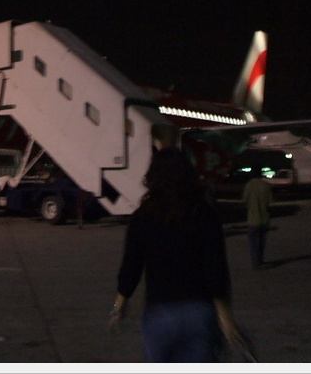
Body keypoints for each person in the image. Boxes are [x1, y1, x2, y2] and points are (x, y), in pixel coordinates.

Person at [108, 147, 242, 362]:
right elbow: (215, 268)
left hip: (159, 313)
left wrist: (119, 306)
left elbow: (131, 266)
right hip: (198, 312)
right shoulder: (204, 214)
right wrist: (225, 317)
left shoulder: (143, 217)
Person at [242, 177, 273, 269]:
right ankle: (260, 259)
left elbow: (245, 199)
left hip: (253, 218)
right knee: (262, 240)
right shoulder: (266, 185)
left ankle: (255, 261)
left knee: (253, 241)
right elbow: (270, 201)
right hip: (264, 218)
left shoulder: (249, 185)